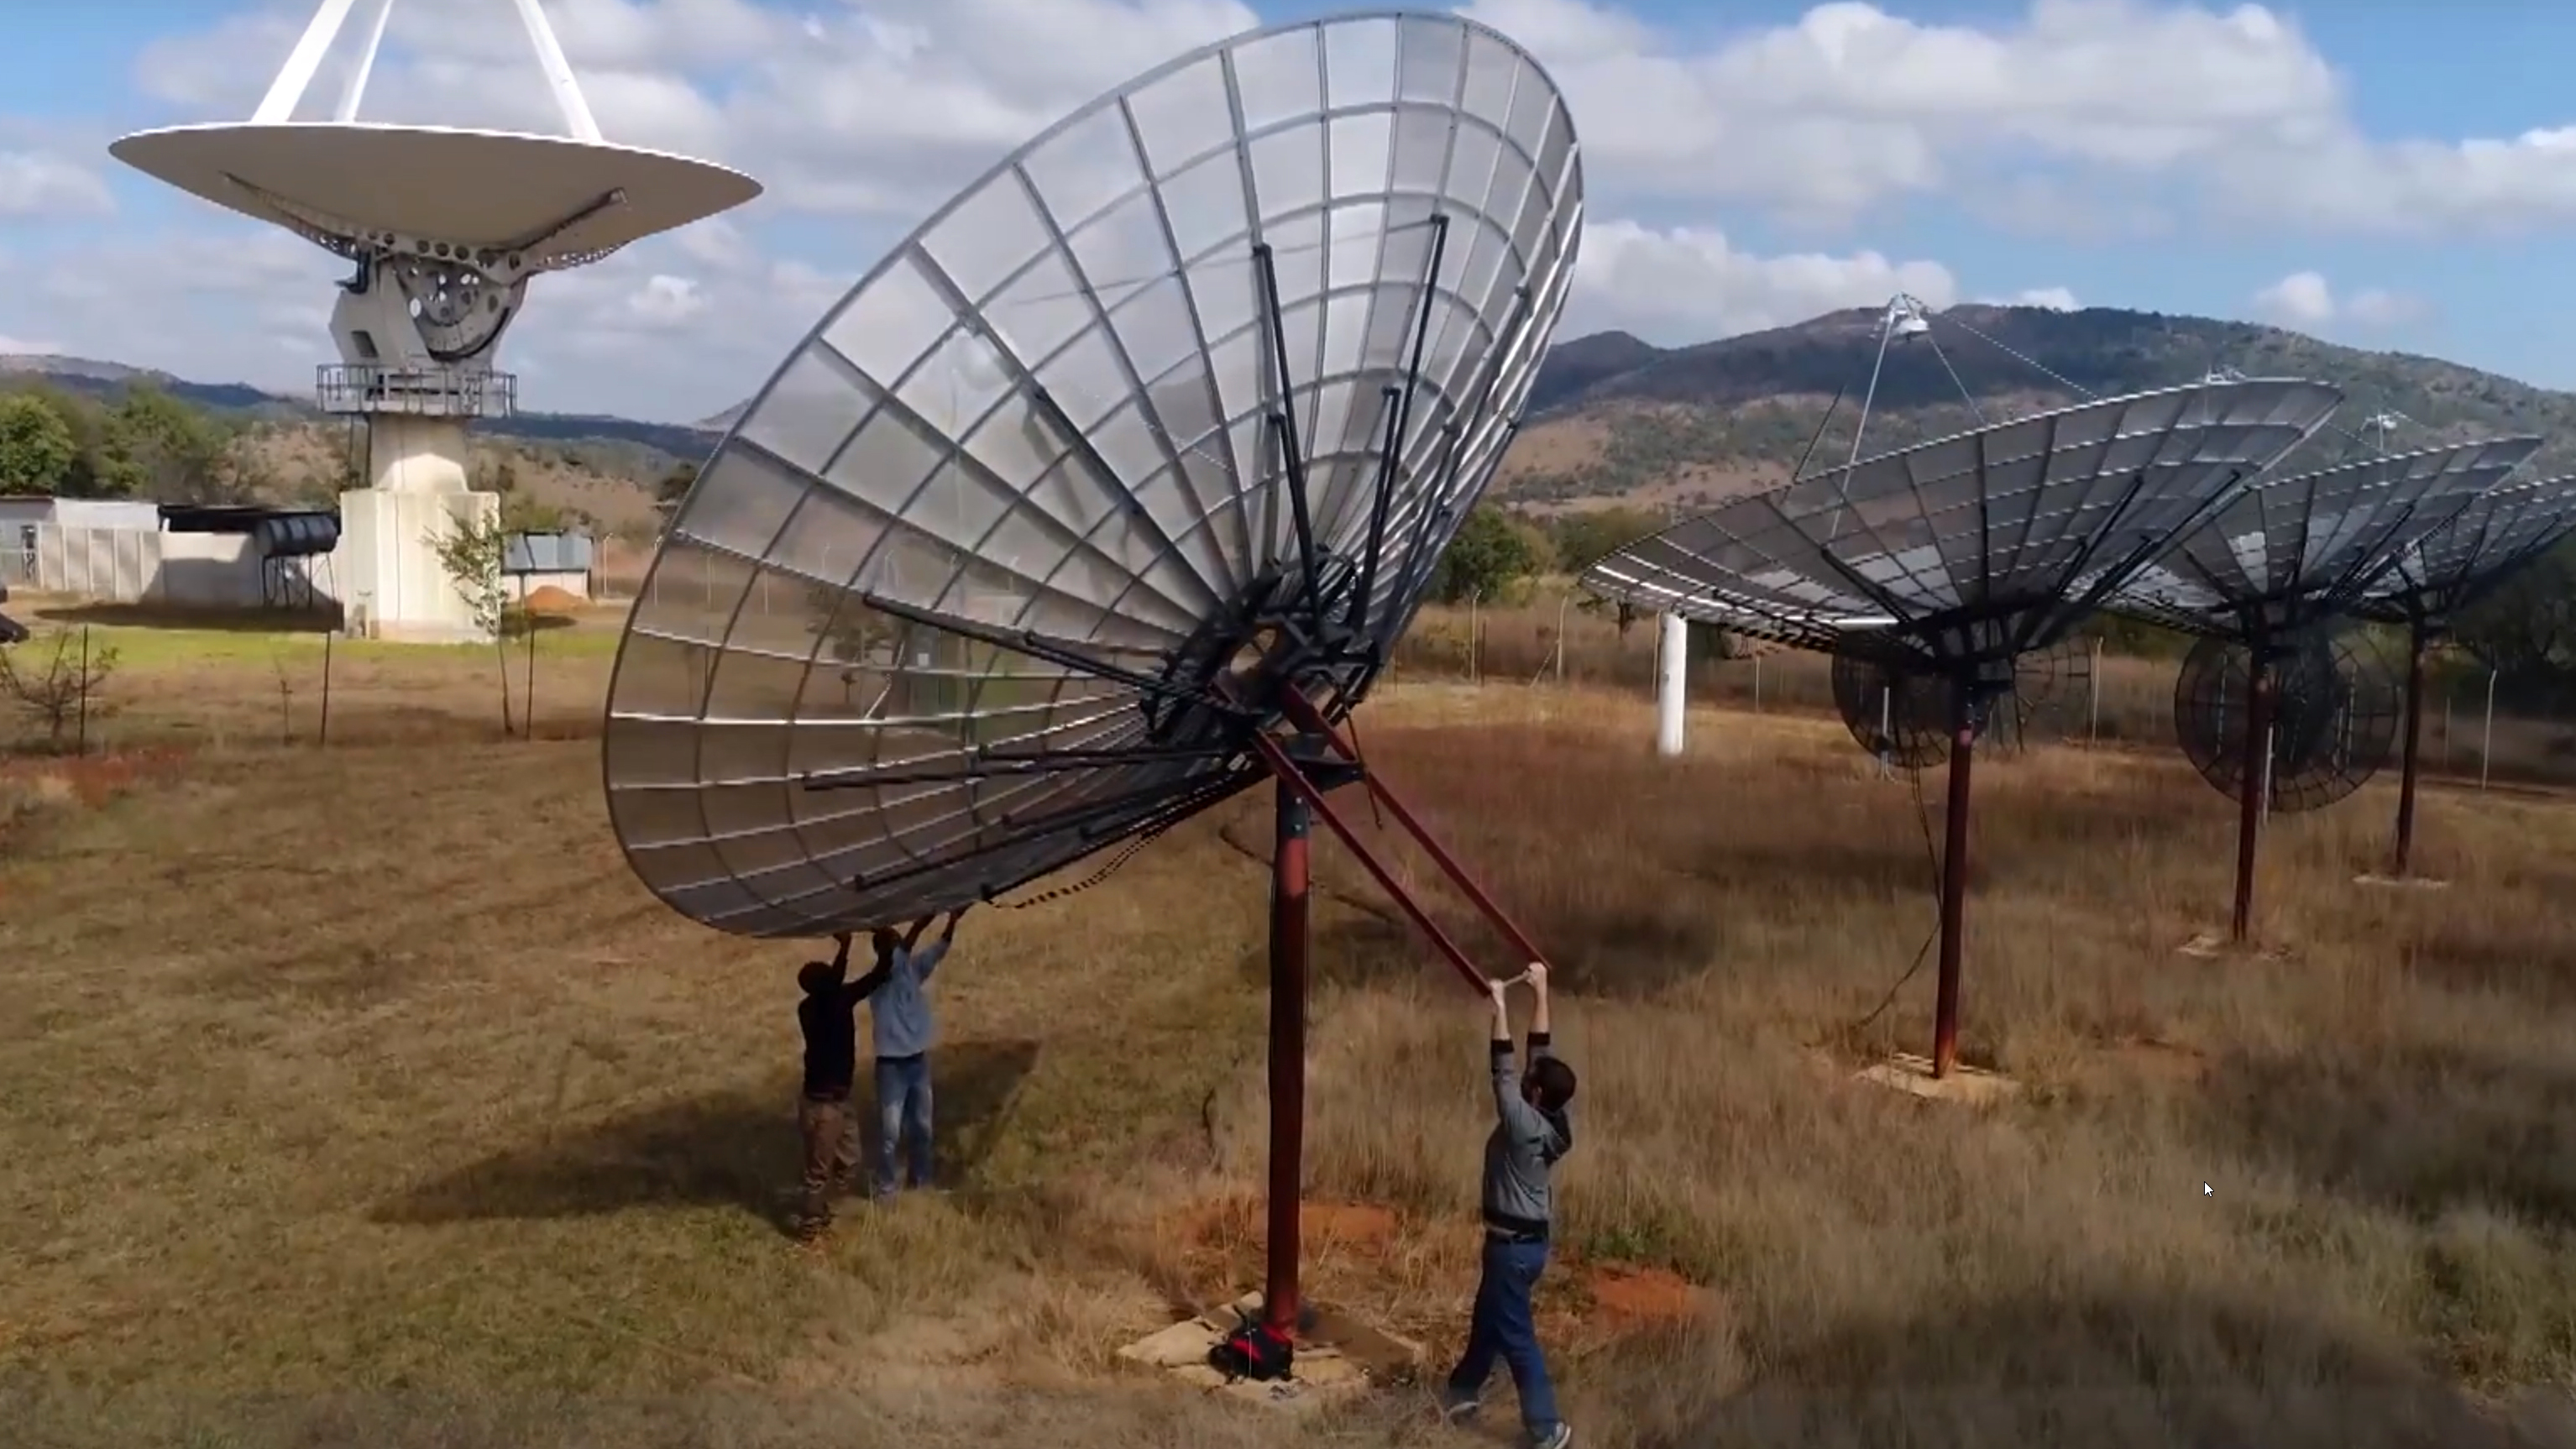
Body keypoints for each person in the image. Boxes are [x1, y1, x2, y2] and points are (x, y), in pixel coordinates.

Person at [1440, 961, 1577, 1449]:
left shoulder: (1521, 1126)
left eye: (1532, 1078)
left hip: (1510, 1248)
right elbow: (1542, 1050)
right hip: (1529, 1244)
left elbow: (1502, 1069)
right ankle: (1461, 1390)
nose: (1528, 1073)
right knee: (1491, 1317)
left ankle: (1547, 1428)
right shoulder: (1558, 1115)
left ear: (1535, 1092)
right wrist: (1541, 990)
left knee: (1517, 1337)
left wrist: (1499, 1007)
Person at [793, 930, 890, 1243]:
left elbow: (833, 981)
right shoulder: (838, 1001)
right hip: (824, 1108)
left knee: (850, 1159)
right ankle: (810, 1230)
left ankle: (822, 1211)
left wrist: (846, 947)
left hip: (833, 1102)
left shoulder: (809, 1008)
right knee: (817, 1173)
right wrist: (886, 950)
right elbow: (877, 976)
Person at [866, 906, 966, 1197]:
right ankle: (886, 1190)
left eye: (896, 939)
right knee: (891, 1133)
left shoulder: (912, 970)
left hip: (918, 1061)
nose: (897, 944)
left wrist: (951, 921)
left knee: (922, 1127)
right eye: (891, 943)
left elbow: (940, 949)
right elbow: (898, 955)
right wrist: (919, 925)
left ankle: (921, 1182)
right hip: (891, 1067)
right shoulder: (878, 981)